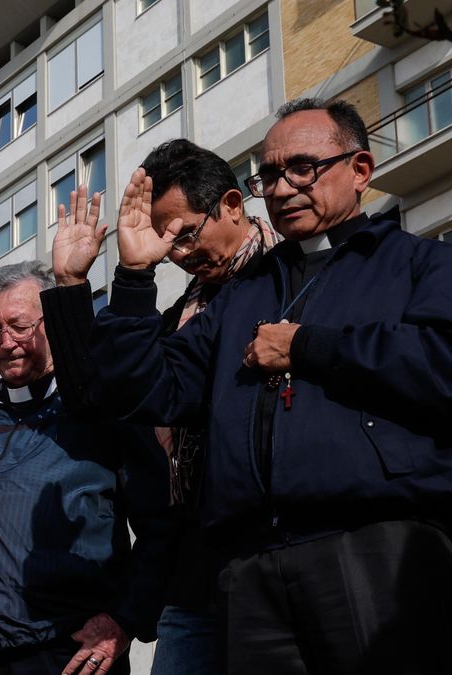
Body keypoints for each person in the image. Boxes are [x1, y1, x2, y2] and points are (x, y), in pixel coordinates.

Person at [90, 98, 452, 674]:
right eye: (269, 175)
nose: (282, 189)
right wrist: (134, 279)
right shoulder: (242, 292)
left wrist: (308, 346)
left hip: (376, 546)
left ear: (360, 170)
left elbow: (442, 362)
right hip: (248, 569)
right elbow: (148, 391)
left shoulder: (420, 262)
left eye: (302, 168)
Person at [45, 139, 281, 674]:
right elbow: (101, 400)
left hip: (279, 557)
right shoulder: (182, 317)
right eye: (166, 241)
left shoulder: (293, 282)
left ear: (233, 204)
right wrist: (72, 283)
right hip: (192, 573)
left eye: (186, 234)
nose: (178, 253)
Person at [0, 261, 172, 675]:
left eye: (19, 326)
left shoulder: (99, 410)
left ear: (51, 322)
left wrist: (125, 620)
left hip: (60, 651)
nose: (6, 343)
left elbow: (163, 524)